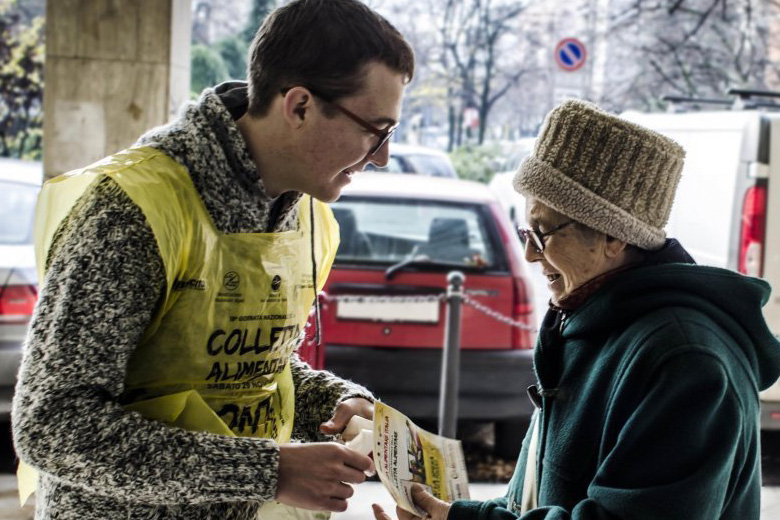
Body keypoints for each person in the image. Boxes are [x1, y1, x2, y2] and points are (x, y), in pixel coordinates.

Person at [12, 0, 414, 518]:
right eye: (375, 130)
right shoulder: (130, 209)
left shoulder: (307, 212)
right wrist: (268, 472)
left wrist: (333, 404)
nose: (381, 156)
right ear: (299, 106)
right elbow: (52, 423)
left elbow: (243, 371)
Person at [373, 100, 780, 520]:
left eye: (543, 231)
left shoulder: (687, 361)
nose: (530, 253)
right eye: (526, 230)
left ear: (613, 238)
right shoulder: (588, 317)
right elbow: (535, 502)